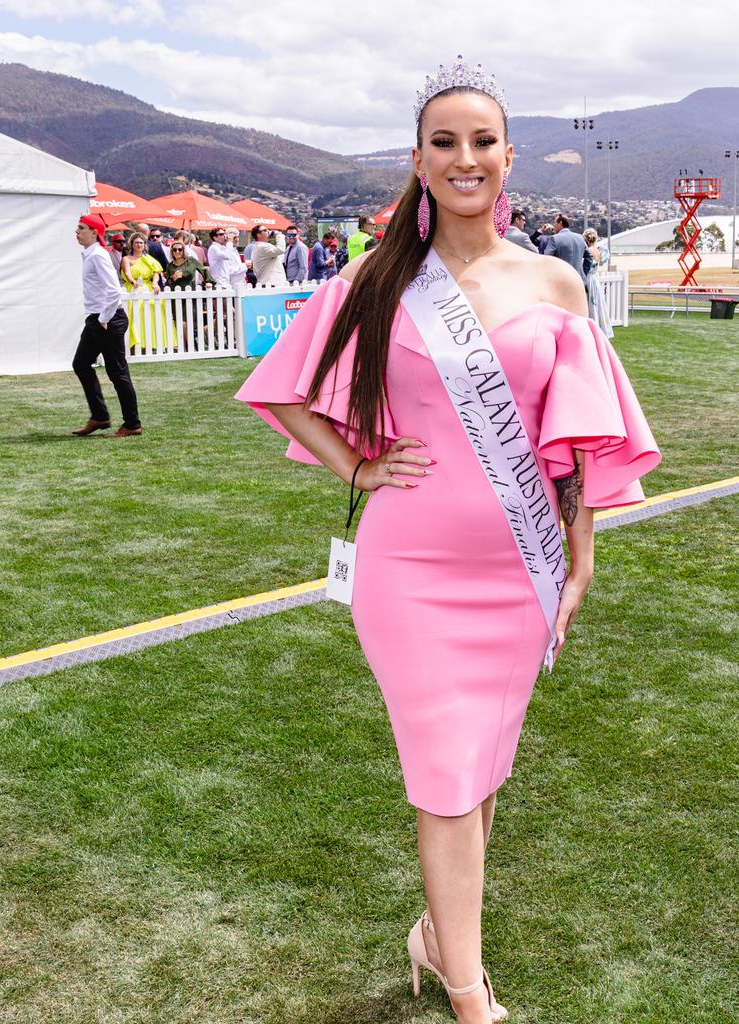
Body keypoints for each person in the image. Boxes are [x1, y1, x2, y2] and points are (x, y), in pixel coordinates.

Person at [236, 56, 660, 1024]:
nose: (465, 158)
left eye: (482, 142)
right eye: (444, 142)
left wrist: (583, 550)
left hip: (520, 568)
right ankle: (470, 995)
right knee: (444, 773)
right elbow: (282, 388)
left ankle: (437, 935)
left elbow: (582, 431)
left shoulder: (556, 281)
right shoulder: (376, 278)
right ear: (417, 160)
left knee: (481, 765)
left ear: (508, 157)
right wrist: (356, 467)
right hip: (411, 567)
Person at [72, 215, 141, 437]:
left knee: (117, 373)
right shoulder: (90, 255)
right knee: (81, 364)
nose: (77, 232)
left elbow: (114, 290)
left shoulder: (98, 256)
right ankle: (100, 416)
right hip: (97, 318)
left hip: (108, 319)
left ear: (94, 232)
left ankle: (132, 424)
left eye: (81, 228)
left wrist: (103, 318)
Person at [120, 232, 168, 353]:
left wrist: (155, 283)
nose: (139, 245)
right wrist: (132, 281)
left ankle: (149, 344)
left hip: (148, 288)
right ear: (132, 244)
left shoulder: (149, 259)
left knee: (151, 315)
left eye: (141, 242)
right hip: (133, 289)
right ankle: (133, 345)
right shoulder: (126, 258)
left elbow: (156, 272)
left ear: (144, 244)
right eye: (136, 242)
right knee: (134, 317)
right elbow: (127, 273)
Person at [543, 214, 593, 287]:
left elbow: (546, 259)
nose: (553, 225)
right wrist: (583, 273)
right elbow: (589, 257)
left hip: (561, 282)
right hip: (579, 281)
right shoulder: (580, 238)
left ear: (560, 223)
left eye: (555, 223)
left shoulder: (554, 239)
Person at [583, 228, 615, 338]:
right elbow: (600, 263)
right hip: (595, 280)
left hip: (587, 278)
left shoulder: (586, 251)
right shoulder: (599, 251)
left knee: (588, 303)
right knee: (596, 304)